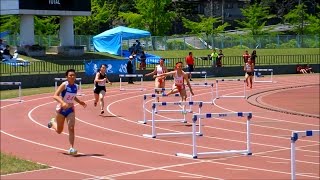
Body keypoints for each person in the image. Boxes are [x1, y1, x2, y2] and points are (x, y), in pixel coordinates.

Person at [47, 69, 87, 155]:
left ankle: (71, 148)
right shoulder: (64, 85)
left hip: (70, 109)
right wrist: (62, 102)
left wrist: (80, 102)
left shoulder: (76, 86)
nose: (72, 77)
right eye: (70, 75)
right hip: (61, 109)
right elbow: (55, 96)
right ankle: (52, 122)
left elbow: (73, 97)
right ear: (67, 77)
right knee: (59, 131)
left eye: (73, 75)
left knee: (71, 128)